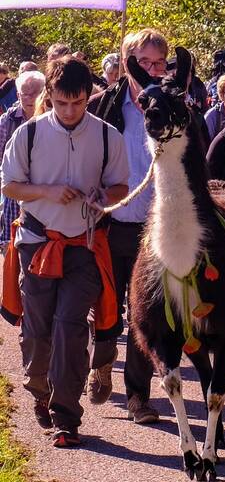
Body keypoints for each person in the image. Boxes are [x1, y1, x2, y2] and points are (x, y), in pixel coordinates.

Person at [0, 56, 129, 447]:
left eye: (78, 103)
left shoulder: (108, 136)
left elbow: (121, 188)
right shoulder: (29, 134)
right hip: (38, 243)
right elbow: (9, 186)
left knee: (71, 327)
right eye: (61, 103)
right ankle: (40, 390)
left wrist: (102, 196)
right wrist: (48, 191)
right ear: (49, 96)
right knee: (38, 330)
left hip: (85, 245)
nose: (70, 111)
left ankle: (66, 416)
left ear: (89, 96)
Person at [86, 28, 169, 425]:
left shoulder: (170, 106)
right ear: (127, 62)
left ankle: (139, 396)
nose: (151, 70)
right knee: (107, 309)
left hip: (154, 230)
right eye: (144, 62)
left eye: (158, 63)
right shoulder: (103, 104)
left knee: (145, 316)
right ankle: (101, 360)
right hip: (110, 222)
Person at [0, 71, 46, 251]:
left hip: (45, 197)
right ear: (18, 95)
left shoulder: (54, 120)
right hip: (14, 197)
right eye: (24, 93)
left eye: (34, 92)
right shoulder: (7, 121)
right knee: (13, 250)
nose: (29, 98)